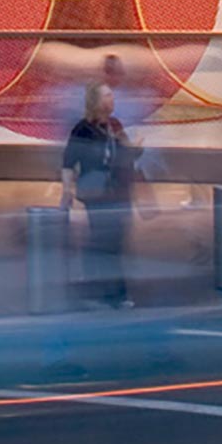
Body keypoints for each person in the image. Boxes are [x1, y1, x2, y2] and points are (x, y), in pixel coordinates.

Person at [60, 80, 139, 309]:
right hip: (96, 192)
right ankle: (112, 291)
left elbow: (126, 154)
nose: (112, 100)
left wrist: (134, 150)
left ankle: (107, 287)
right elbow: (68, 161)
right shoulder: (83, 129)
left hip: (116, 192)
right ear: (95, 101)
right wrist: (67, 190)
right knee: (106, 241)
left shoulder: (114, 125)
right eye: (107, 95)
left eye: (111, 95)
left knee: (112, 241)